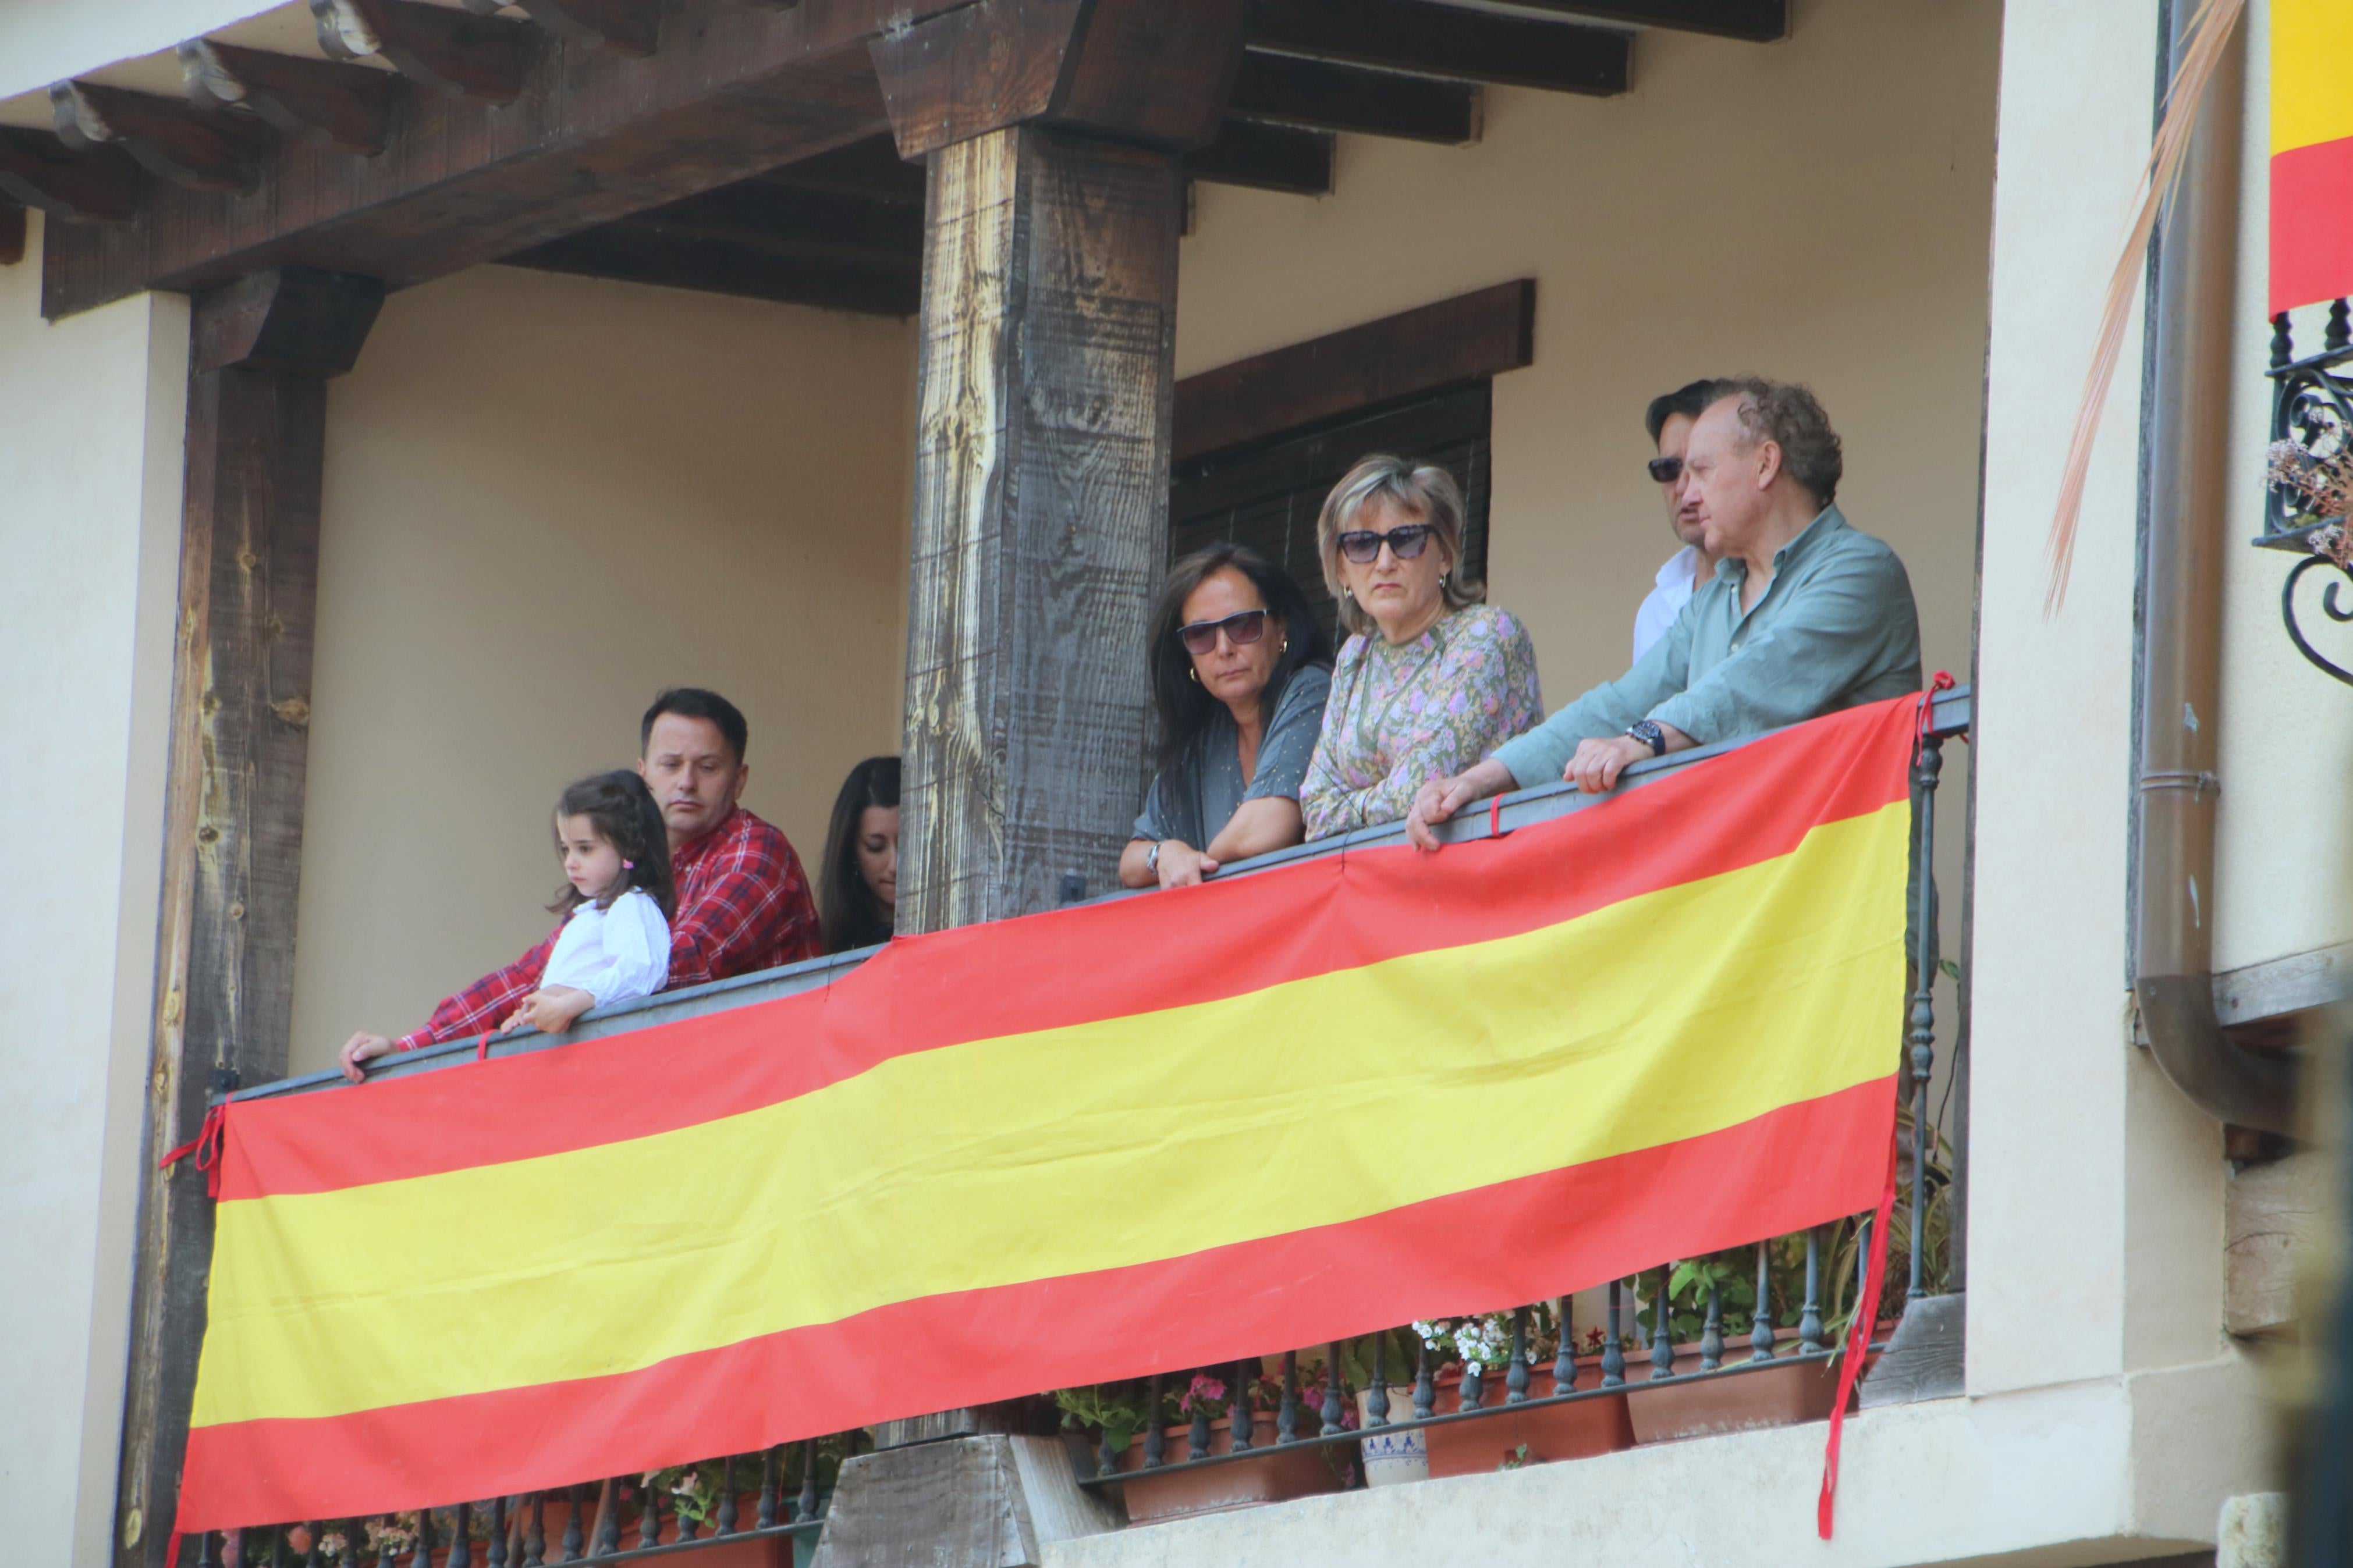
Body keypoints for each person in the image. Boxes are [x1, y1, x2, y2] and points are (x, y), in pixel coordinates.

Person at [1406, 378, 1921, 849]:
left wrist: (1644, 740)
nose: (1687, 495)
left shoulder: (1860, 570)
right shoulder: (1713, 600)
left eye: (1700, 470)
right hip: (1753, 910)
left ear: (1766, 464)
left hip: (1854, 914)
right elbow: (1617, 704)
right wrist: (1478, 779)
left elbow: (1752, 681)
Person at [338, 687, 821, 1078]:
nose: (687, 782)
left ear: (739, 781)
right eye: (671, 765)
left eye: (708, 767)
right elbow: (530, 975)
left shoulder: (756, 851)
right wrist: (406, 1047)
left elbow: (680, 963)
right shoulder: (629, 868)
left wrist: (567, 999)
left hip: (767, 1095)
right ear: (644, 774)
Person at [1298, 455, 1542, 841]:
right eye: (1361, 544)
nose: (1384, 562)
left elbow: (1418, 788)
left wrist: (1351, 805)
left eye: (1406, 539)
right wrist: (1368, 804)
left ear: (1444, 555)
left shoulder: (1487, 634)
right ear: (1341, 569)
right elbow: (1314, 810)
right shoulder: (1354, 656)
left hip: (1482, 877)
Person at [1120, 545, 1334, 890]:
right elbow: (1130, 862)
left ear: (1281, 628)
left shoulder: (1312, 689)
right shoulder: (1205, 735)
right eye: (1201, 635)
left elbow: (1266, 830)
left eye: (1243, 625)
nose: (1224, 648)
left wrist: (1200, 862)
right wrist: (1165, 854)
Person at [498, 770, 677, 1039]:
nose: (571, 862)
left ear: (628, 849)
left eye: (585, 849)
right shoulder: (587, 916)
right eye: (566, 849)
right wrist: (533, 1011)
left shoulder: (632, 905)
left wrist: (569, 1006)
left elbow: (641, 972)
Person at [1631, 379, 1726, 664]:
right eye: (1668, 468)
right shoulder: (1655, 610)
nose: (1685, 487)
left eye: (1702, 467)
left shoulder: (1780, 587)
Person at [819, 756, 900, 951]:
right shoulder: (837, 943)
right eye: (876, 847)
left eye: (907, 846)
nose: (895, 866)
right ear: (851, 850)